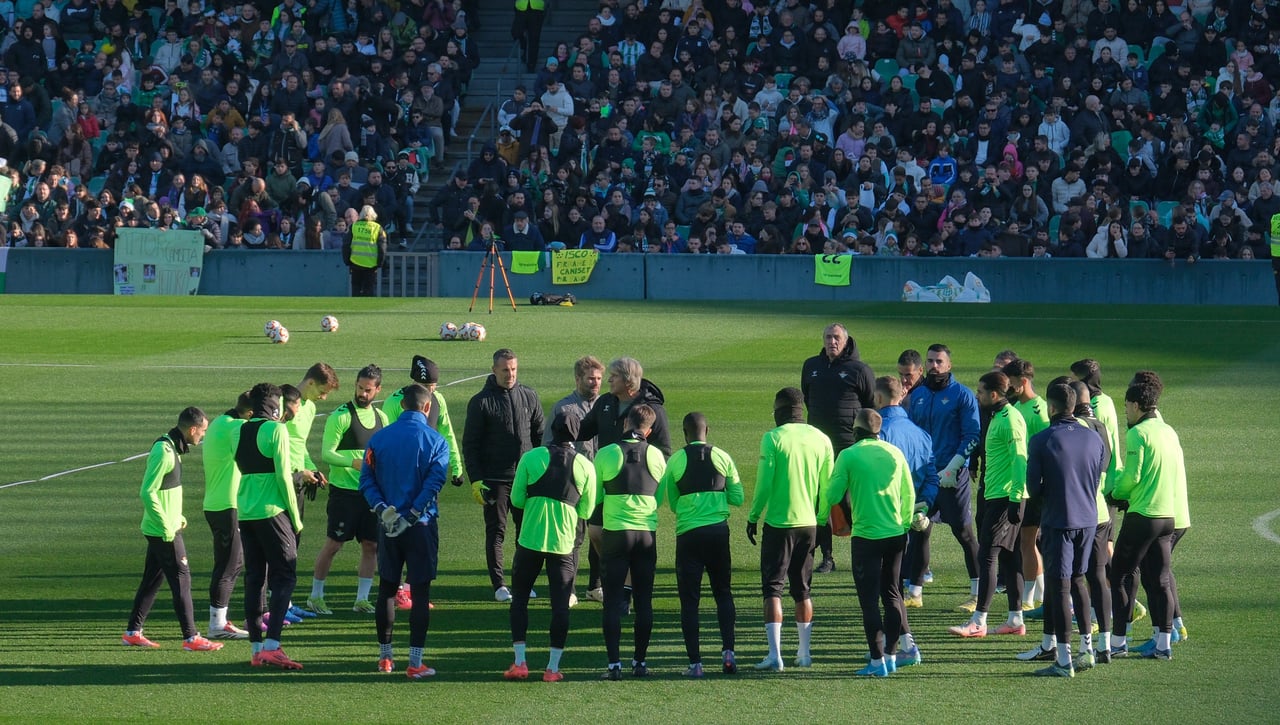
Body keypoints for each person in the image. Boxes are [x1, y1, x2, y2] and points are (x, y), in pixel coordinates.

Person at [359, 383, 451, 680]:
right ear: (427, 407)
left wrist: (382, 508)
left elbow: (366, 480)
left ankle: (385, 658)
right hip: (421, 526)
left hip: (388, 525)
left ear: (401, 406)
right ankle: (415, 662)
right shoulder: (436, 441)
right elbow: (435, 482)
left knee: (387, 588)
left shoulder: (379, 439)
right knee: (420, 592)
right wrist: (412, 513)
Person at [820, 409, 915, 677]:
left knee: (869, 602)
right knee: (893, 595)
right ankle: (892, 656)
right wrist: (905, 523)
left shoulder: (849, 455)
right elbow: (908, 492)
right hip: (896, 533)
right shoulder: (895, 452)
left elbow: (833, 493)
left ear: (856, 430)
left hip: (866, 537)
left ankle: (876, 662)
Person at [506, 410, 597, 682]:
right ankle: (552, 668)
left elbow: (517, 499)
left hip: (530, 539)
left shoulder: (530, 458)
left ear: (551, 431)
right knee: (560, 605)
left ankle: (520, 662)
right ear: (577, 436)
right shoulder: (585, 466)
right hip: (563, 544)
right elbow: (587, 509)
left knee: (520, 599)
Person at [747, 387, 834, 672]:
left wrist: (753, 515)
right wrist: (821, 520)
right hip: (809, 523)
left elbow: (764, 484)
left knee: (773, 588)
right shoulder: (821, 439)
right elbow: (827, 487)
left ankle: (775, 655)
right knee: (802, 590)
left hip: (779, 524)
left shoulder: (773, 438)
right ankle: (804, 653)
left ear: (780, 411)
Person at [122, 407, 222, 652]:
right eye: (203, 431)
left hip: (166, 525)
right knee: (182, 579)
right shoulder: (163, 451)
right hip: (163, 530)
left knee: (152, 580)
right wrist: (167, 524)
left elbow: (167, 490)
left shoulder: (173, 449)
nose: (203, 436)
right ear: (191, 429)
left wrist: (178, 515)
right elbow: (147, 491)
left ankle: (133, 632)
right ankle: (191, 638)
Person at [1024, 381, 1106, 677]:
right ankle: (1087, 649)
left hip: (1059, 520)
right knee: (1079, 581)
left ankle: (1063, 659)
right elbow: (1096, 478)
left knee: (1059, 587)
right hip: (1088, 519)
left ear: (1052, 407)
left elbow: (1033, 488)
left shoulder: (1042, 440)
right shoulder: (1094, 438)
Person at [577, 357, 673, 604]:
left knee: (628, 538)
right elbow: (583, 430)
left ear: (628, 381)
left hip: (636, 485)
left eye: (613, 376)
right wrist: (562, 425)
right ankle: (618, 578)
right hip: (607, 478)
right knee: (596, 531)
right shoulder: (606, 403)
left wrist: (644, 472)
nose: (608, 380)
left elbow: (664, 450)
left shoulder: (652, 410)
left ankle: (624, 589)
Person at [1108, 378, 1186, 660]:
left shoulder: (1139, 433)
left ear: (1137, 405)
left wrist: (1115, 492)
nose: (1125, 411)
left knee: (1119, 576)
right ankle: (1163, 643)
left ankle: (1118, 642)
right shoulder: (1168, 431)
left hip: (1143, 514)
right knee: (1161, 580)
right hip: (1168, 516)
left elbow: (1132, 476)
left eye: (1126, 405)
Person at [662, 412, 744, 677]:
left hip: (688, 536)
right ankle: (728, 652)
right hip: (719, 533)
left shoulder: (675, 460)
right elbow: (738, 497)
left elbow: (673, 503)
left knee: (689, 602)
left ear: (684, 433)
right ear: (707, 430)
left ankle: (695, 664)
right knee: (723, 593)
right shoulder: (723, 456)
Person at [949, 371, 1029, 639]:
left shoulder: (1010, 420)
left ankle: (978, 621)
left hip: (1005, 498)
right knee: (1009, 556)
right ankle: (1015, 619)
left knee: (987, 555)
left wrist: (1016, 499)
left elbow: (1020, 460)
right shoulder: (996, 417)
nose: (977, 395)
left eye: (981, 391)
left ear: (994, 395)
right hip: (993, 495)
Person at [381, 355, 465, 610]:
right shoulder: (395, 402)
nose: (433, 390)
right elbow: (383, 438)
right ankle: (395, 588)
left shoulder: (438, 401)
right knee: (395, 531)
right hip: (397, 481)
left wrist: (457, 466)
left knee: (422, 535)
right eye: (429, 386)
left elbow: (446, 432)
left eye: (434, 386)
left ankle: (409, 590)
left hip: (425, 480)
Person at [463, 348, 545, 601]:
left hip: (526, 479)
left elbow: (540, 437)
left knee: (526, 533)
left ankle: (522, 582)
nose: (510, 374)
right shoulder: (481, 401)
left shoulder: (529, 396)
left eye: (514, 369)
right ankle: (499, 585)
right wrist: (476, 479)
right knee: (497, 532)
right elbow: (471, 444)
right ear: (494, 370)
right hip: (495, 479)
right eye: (505, 370)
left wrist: (542, 473)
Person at [308, 364, 389, 615]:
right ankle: (315, 596)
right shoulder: (341, 416)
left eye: (367, 390)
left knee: (371, 546)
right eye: (359, 388)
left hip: (370, 494)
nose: (362, 394)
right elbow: (326, 453)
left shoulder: (382, 418)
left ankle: (361, 599)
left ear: (377, 390)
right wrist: (354, 463)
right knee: (333, 544)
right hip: (344, 494)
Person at [906, 344, 982, 611]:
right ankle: (915, 592)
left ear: (949, 365)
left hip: (952, 476)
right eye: (930, 361)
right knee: (919, 529)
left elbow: (972, 435)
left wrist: (954, 466)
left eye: (939, 361)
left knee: (963, 533)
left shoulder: (962, 395)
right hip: (926, 476)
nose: (934, 366)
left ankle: (977, 593)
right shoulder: (918, 395)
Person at [595, 405, 667, 680]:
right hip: (646, 534)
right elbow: (659, 497)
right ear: (649, 430)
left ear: (625, 423)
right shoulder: (657, 455)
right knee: (644, 600)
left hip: (615, 533)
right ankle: (640, 662)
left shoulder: (607, 453)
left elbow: (596, 495)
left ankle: (614, 666)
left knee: (612, 601)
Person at [236, 383, 305, 669]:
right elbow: (283, 478)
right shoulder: (276, 430)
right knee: (284, 576)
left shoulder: (240, 430)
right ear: (274, 405)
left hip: (247, 512)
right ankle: (273, 645)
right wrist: (296, 518)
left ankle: (256, 649)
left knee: (254, 578)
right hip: (273, 512)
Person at [800, 323, 876, 574]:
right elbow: (807, 398)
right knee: (821, 501)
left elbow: (870, 408)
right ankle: (827, 557)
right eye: (828, 337)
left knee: (854, 502)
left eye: (836, 338)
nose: (832, 341)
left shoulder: (860, 370)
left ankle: (864, 554)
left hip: (849, 446)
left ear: (846, 340)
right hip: (818, 446)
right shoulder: (811, 366)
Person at [873, 375, 936, 657]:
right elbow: (932, 477)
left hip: (884, 519)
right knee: (893, 587)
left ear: (878, 398)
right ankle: (903, 642)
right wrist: (922, 507)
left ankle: (899, 646)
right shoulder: (921, 434)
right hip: (912, 513)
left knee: (888, 588)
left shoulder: (879, 433)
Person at [542, 355, 605, 605]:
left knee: (598, 534)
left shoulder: (607, 406)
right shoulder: (563, 408)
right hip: (574, 483)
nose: (596, 383)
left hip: (601, 481)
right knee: (574, 537)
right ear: (578, 378)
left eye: (599, 378)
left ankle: (596, 586)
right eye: (591, 378)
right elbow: (549, 445)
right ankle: (569, 589)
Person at [284, 363, 339, 618]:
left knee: (293, 543)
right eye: (322, 391)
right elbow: (273, 446)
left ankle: (285, 602)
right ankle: (276, 606)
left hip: (299, 482)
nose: (323, 397)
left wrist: (311, 469)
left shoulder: (311, 407)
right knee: (281, 547)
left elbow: (300, 445)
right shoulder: (284, 405)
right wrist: (296, 472)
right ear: (310, 383)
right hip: (281, 482)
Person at [202, 391, 253, 640]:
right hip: (227, 505)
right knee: (231, 563)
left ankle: (219, 620)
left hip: (216, 503)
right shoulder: (236, 427)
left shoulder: (220, 422)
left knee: (227, 561)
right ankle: (217, 624)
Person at [1003, 358, 1051, 614]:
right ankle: (1039, 596)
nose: (1008, 387)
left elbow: (1048, 445)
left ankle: (1030, 597)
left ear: (1023, 381)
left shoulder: (1039, 410)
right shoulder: (1017, 407)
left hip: (1032, 486)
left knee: (1028, 540)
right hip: (1020, 485)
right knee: (1026, 541)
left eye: (1011, 382)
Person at [343, 205, 387, 297]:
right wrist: (380, 263)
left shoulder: (354, 226)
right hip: (371, 265)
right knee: (369, 289)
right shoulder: (378, 228)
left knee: (356, 288)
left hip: (355, 263)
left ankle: (354, 309)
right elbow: (382, 248)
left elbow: (346, 245)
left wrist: (347, 261)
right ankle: (367, 310)